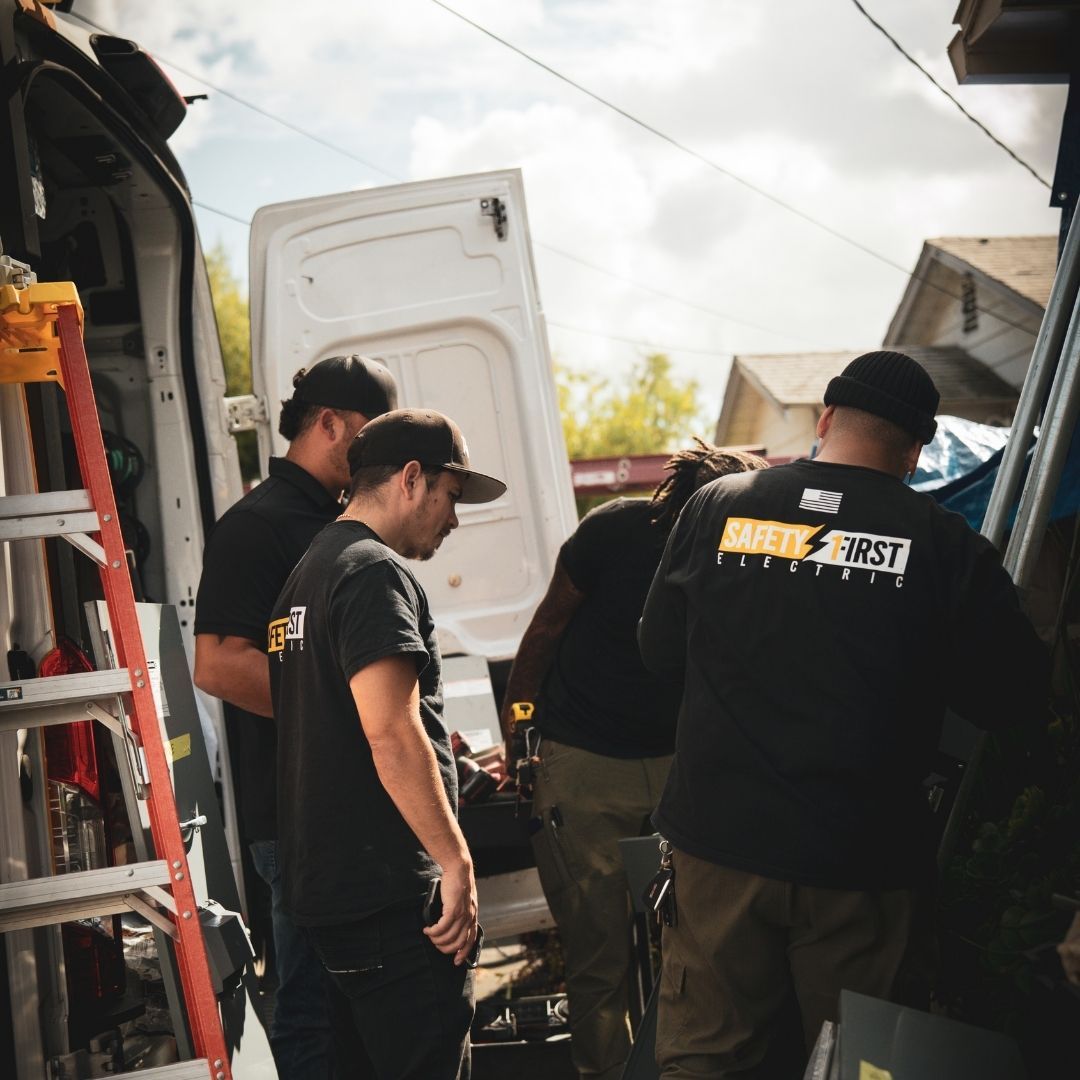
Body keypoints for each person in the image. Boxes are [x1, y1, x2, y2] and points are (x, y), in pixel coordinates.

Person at [638, 351, 1051, 1077]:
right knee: (859, 1061)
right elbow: (1013, 699)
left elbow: (658, 653)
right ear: (915, 450)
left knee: (706, 1062)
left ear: (826, 419)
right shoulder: (945, 543)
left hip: (720, 848)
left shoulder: (718, 505)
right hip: (861, 871)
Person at [499, 440, 768, 1080]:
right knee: (599, 951)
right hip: (583, 762)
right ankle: (605, 1071)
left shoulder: (745, 551)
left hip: (680, 762)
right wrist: (520, 729)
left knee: (699, 944)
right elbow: (545, 628)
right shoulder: (614, 529)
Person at [269, 408, 506, 1080]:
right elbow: (391, 734)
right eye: (451, 495)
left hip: (332, 895)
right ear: (410, 478)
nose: (453, 519)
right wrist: (455, 861)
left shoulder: (308, 573)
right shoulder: (373, 573)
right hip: (389, 901)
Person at [194, 354, 398, 1078]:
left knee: (363, 1015)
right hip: (295, 820)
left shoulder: (337, 519)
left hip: (351, 813)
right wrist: (348, 712)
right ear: (329, 423)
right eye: (370, 434)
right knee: (313, 1013)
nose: (378, 453)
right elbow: (218, 664)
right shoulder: (257, 525)